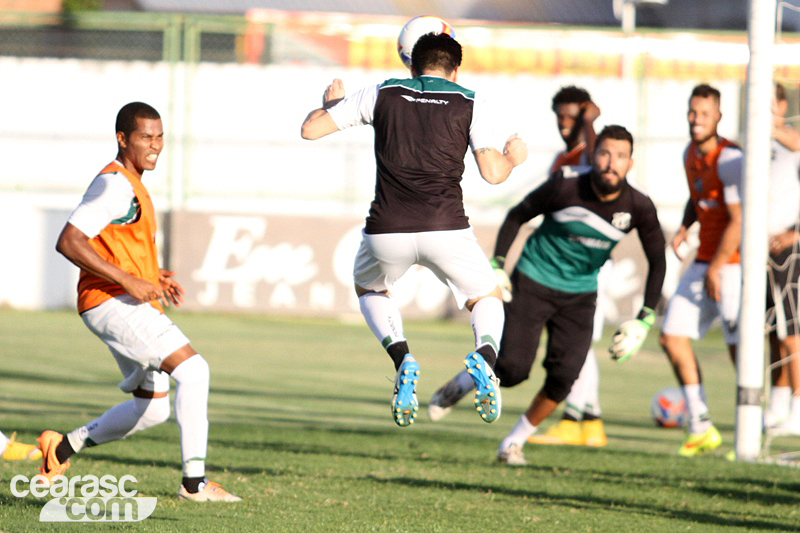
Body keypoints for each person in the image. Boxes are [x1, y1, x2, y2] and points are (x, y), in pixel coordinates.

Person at [301, 33, 528, 427]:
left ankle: (402, 357)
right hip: (447, 228)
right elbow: (493, 174)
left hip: (387, 228)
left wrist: (331, 106)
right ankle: (485, 358)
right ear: (456, 70)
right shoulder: (470, 101)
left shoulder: (381, 92)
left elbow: (310, 131)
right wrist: (513, 156)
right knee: (485, 296)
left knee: (370, 289)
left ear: (411, 64)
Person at [428, 125, 666, 465]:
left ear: (631, 163)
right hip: (533, 282)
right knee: (510, 371)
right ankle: (468, 379)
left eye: (621, 156)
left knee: (564, 378)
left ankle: (513, 442)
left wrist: (645, 319)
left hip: (580, 295)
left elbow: (658, 261)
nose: (611, 163)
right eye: (605, 153)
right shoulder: (567, 183)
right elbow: (517, 215)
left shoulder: (639, 206)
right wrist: (498, 265)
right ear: (594, 155)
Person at [43, 102, 240, 502]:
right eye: (145, 137)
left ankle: (60, 448)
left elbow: (113, 245)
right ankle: (194, 484)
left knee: (151, 409)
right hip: (111, 302)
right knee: (194, 371)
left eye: (159, 136)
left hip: (118, 300)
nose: (155, 145)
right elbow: (69, 241)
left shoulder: (132, 182)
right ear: (122, 139)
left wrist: (151, 275)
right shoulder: (114, 184)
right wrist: (129, 280)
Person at [428, 85, 611, 448]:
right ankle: (467, 382)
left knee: (578, 350)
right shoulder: (564, 161)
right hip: (543, 272)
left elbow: (594, 167)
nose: (565, 125)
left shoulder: (598, 156)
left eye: (573, 118)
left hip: (586, 275)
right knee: (513, 366)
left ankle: (581, 419)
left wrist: (591, 124)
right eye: (560, 117)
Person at [659, 83, 743, 456]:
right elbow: (698, 199)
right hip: (706, 262)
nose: (697, 120)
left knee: (739, 348)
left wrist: (718, 268)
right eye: (693, 112)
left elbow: (739, 221)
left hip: (734, 265)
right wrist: (683, 226)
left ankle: (753, 423)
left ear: (719, 118)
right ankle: (701, 424)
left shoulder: (731, 158)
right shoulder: (689, 154)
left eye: (705, 114)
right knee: (671, 336)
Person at [764, 82, 800, 434]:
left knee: (792, 330)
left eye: (767, 102)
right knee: (773, 329)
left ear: (781, 105)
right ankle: (777, 404)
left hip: (789, 249)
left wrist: (794, 234)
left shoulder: (792, 144)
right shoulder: (759, 146)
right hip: (761, 248)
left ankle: (798, 410)